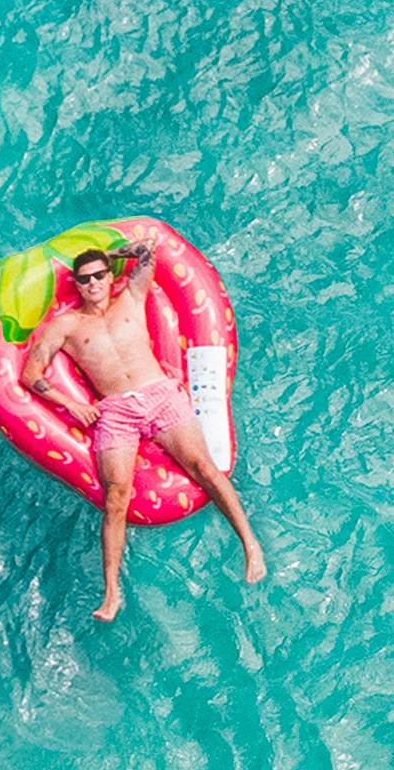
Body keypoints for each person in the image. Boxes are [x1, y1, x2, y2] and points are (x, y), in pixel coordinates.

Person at [18, 240, 266, 620]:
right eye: (84, 279)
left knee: (202, 467)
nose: (93, 283)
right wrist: (72, 405)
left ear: (108, 274)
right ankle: (111, 593)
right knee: (116, 497)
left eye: (99, 274)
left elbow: (149, 250)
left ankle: (250, 545)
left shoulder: (131, 297)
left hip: (160, 395)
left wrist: (113, 255)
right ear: (77, 285)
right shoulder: (67, 325)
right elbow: (30, 373)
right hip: (116, 410)